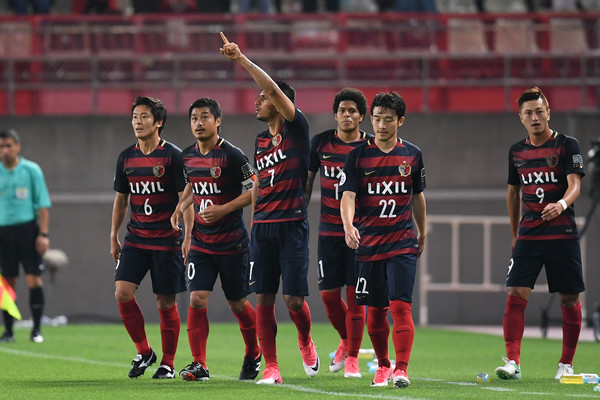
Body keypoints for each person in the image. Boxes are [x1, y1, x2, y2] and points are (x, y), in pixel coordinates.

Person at [220, 31, 320, 385]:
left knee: (293, 301)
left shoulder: (297, 128)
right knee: (263, 297)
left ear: (279, 103)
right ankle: (273, 367)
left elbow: (275, 90)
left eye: (263, 97)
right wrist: (252, 224)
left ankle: (306, 339)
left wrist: (242, 60)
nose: (257, 101)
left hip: (292, 225)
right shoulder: (261, 141)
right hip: (263, 228)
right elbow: (260, 185)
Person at [495, 87, 586, 381]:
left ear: (548, 112)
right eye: (528, 113)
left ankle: (566, 364)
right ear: (520, 117)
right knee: (515, 293)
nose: (534, 117)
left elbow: (575, 185)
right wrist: (514, 232)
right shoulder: (517, 152)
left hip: (562, 234)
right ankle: (513, 362)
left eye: (539, 111)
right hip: (529, 235)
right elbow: (513, 193)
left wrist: (560, 204)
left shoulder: (568, 145)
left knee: (569, 299)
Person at [170, 98, 261, 382]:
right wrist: (180, 207)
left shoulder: (233, 156)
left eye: (205, 117)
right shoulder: (187, 155)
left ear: (218, 121)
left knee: (237, 303)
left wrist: (224, 208)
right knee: (197, 298)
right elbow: (191, 184)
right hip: (201, 243)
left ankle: (254, 352)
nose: (198, 122)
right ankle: (200, 364)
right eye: (194, 118)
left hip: (232, 243)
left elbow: (254, 189)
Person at [340, 91, 426, 389]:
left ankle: (402, 368)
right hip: (369, 244)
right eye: (376, 119)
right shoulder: (358, 156)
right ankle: (384, 365)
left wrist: (422, 230)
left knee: (400, 306)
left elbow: (417, 197)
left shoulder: (412, 155)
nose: (381, 125)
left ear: (400, 121)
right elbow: (348, 194)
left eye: (388, 120)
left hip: (402, 242)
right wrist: (348, 224)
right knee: (375, 313)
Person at [110, 96, 192, 379]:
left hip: (167, 239)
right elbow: (121, 200)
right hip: (135, 238)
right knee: (122, 292)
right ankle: (145, 351)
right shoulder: (126, 157)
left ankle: (168, 363)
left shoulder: (173, 155)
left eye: (144, 116)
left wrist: (188, 236)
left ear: (158, 122)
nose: (137, 121)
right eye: (134, 116)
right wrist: (114, 235)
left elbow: (187, 198)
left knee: (165, 302)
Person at [305, 88, 370, 378]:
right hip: (329, 231)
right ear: (335, 115)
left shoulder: (370, 147)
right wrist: (298, 215)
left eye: (352, 110)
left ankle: (353, 357)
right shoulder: (320, 143)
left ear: (361, 116)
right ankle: (346, 340)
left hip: (362, 234)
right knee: (329, 296)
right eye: (342, 110)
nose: (347, 115)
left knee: (356, 296)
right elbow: (307, 183)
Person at [0, 129, 51, 343]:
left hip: (28, 231)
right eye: (1, 147)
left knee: (34, 279)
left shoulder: (31, 170)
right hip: (4, 233)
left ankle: (36, 330)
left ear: (17, 146)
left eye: (8, 145)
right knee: (6, 282)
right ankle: (9, 331)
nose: (5, 150)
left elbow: (43, 204)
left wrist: (43, 234)